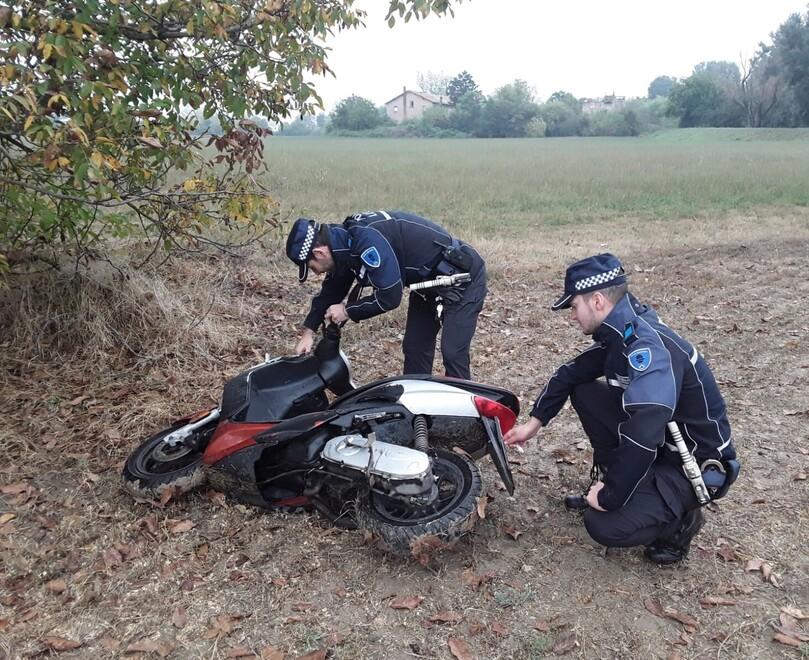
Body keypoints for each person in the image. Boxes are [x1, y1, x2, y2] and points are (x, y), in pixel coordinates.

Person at [504, 253, 738, 564]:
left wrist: (612, 494)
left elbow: (645, 427)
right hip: (663, 444)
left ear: (597, 300)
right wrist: (535, 422)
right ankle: (624, 481)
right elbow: (569, 374)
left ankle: (681, 523)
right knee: (585, 389)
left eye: (574, 306)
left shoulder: (646, 346)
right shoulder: (622, 333)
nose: (572, 315)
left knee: (604, 524)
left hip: (690, 464)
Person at [285, 210, 486, 380]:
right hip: (427, 284)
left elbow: (390, 296)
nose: (317, 273)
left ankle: (468, 416)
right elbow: (333, 289)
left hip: (462, 278)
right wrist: (309, 331)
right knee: (415, 348)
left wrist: (347, 311)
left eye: (312, 267)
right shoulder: (344, 244)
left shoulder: (366, 241)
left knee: (453, 352)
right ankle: (418, 413)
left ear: (320, 253)